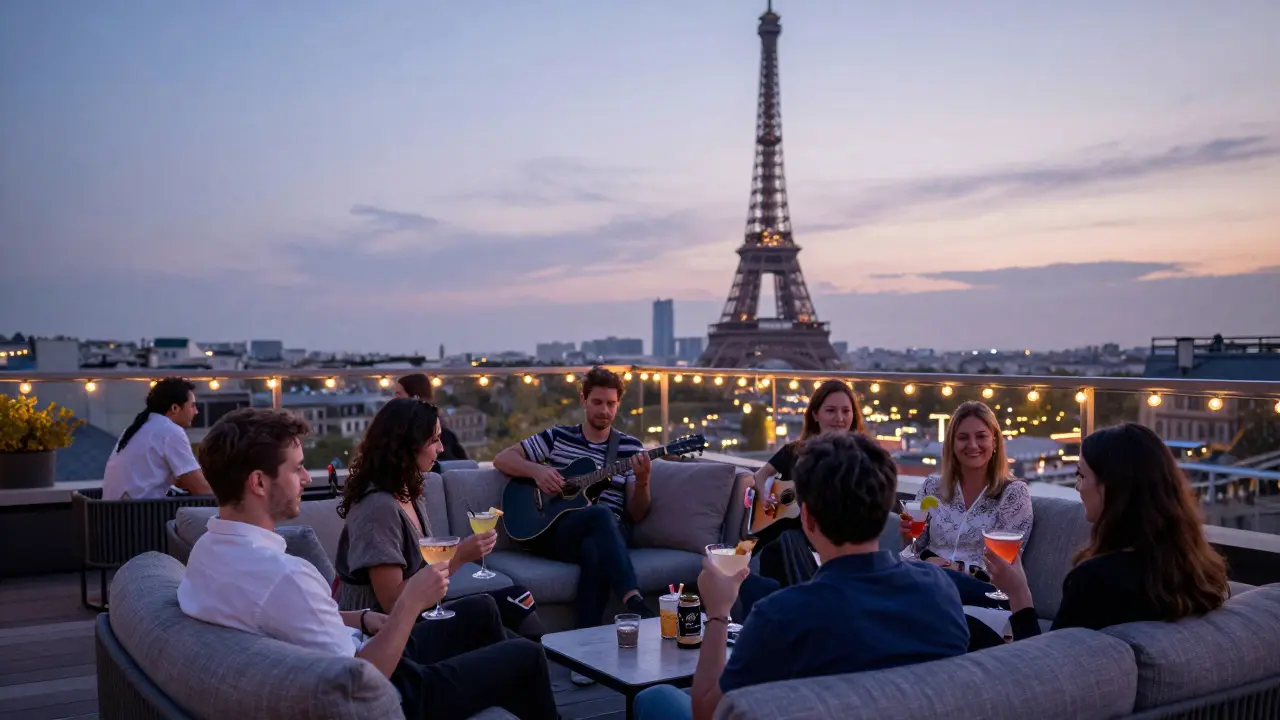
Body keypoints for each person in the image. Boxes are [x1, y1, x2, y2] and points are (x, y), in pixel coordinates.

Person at [179, 407, 556, 720]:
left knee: (483, 609)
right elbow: (362, 683)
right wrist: (409, 604)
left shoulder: (207, 551)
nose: (305, 479)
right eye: (295, 468)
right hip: (390, 689)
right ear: (259, 483)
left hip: (360, 646)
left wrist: (359, 619)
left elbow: (286, 619)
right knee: (525, 656)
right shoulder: (286, 576)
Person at [633, 432, 970, 720]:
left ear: (806, 519)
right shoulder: (939, 591)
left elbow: (708, 711)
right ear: (885, 512)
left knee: (654, 698)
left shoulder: (782, 614)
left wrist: (719, 612)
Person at [978, 422, 1230, 647]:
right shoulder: (1196, 569)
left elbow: (1047, 669)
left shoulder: (1095, 581)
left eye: (1082, 475)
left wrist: (1019, 594)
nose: (1077, 486)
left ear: (1112, 489)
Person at [334, 398, 545, 639]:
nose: (442, 448)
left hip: (421, 612)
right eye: (434, 440)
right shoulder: (378, 508)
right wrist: (461, 555)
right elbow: (393, 604)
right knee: (496, 616)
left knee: (518, 599)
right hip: (387, 631)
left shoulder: (407, 491)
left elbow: (422, 571)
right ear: (408, 445)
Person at [493, 366, 656, 629]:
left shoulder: (630, 449)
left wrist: (644, 481)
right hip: (558, 531)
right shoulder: (558, 437)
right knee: (600, 513)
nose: (604, 410)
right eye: (597, 402)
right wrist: (537, 471)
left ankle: (584, 648)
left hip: (611, 532)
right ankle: (632, 596)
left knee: (595, 548)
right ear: (583, 400)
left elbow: (636, 514)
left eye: (611, 404)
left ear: (619, 404)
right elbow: (502, 458)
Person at [749, 380, 871, 585]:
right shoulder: (794, 450)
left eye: (846, 411)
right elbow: (761, 475)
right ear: (815, 414)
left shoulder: (857, 458)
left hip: (818, 542)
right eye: (831, 410)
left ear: (854, 415)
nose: (839, 418)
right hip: (776, 535)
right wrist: (764, 495)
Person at [900, 401, 1033, 582]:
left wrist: (953, 568)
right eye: (963, 437)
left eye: (981, 436)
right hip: (929, 581)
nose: (972, 445)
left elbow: (1005, 566)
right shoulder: (931, 487)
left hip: (981, 594)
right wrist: (908, 536)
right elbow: (916, 550)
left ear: (993, 442)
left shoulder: (1013, 494)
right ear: (952, 445)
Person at [102, 377, 212, 499]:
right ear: (175, 408)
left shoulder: (138, 428)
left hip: (113, 513)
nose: (196, 411)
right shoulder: (170, 431)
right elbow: (201, 489)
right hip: (142, 514)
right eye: (192, 406)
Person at [394, 373, 468, 466]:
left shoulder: (401, 435)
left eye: (398, 394)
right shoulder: (445, 434)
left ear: (414, 398)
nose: (394, 399)